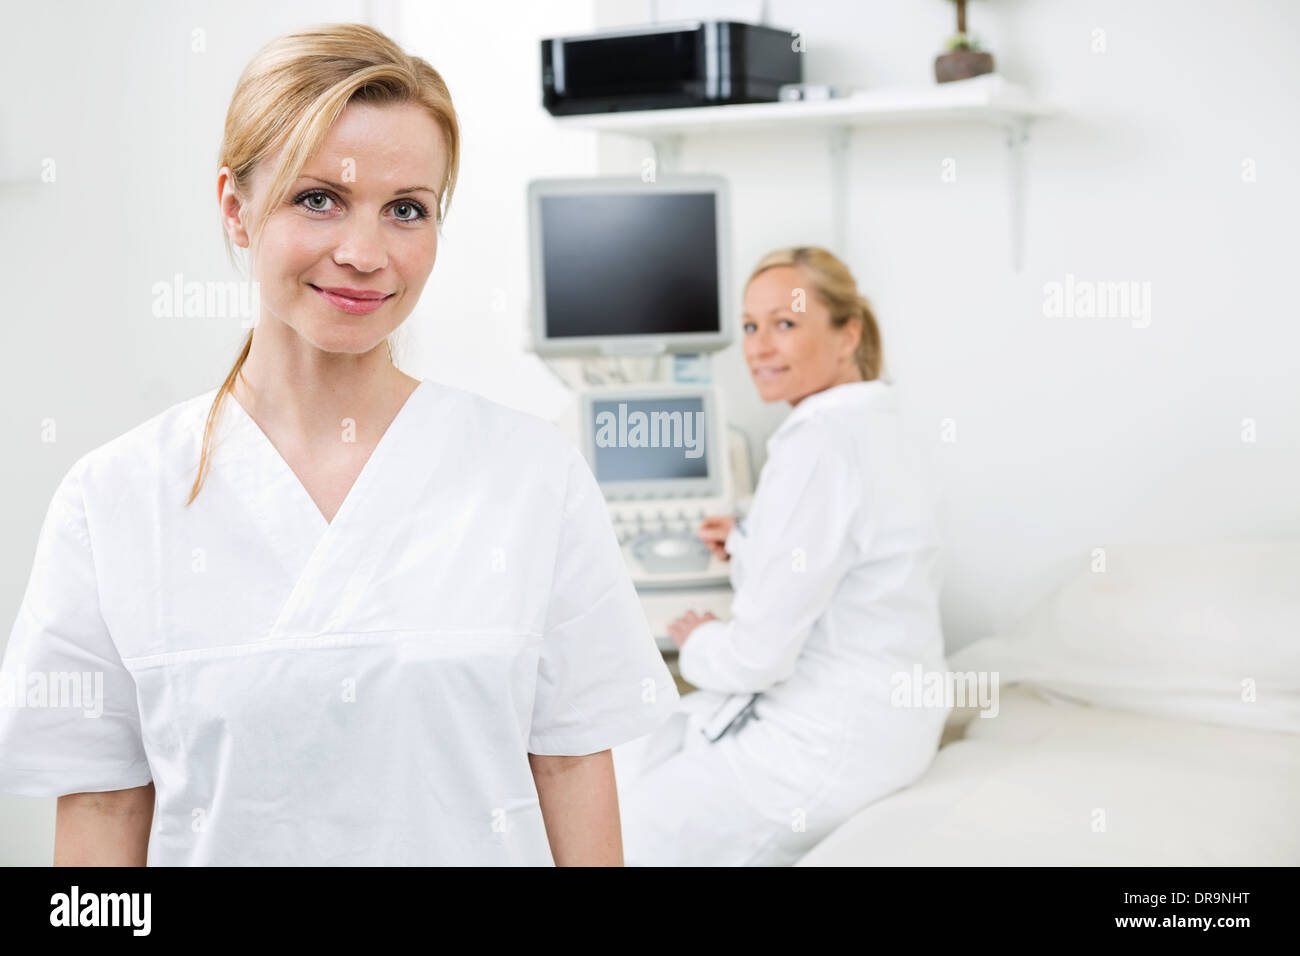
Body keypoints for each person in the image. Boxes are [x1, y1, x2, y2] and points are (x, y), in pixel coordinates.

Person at [0, 22, 678, 866]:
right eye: (317, 198)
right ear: (235, 209)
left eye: (406, 210)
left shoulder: (531, 478)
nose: (364, 254)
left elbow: (573, 764)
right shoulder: (114, 501)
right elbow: (102, 812)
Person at [613, 247, 951, 866]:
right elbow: (844, 556)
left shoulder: (816, 441)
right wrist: (750, 539)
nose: (760, 347)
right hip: (892, 724)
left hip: (825, 744)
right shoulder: (877, 421)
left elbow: (757, 658)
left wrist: (698, 640)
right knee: (629, 757)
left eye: (786, 324)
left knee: (615, 828)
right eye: (750, 326)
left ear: (847, 333)